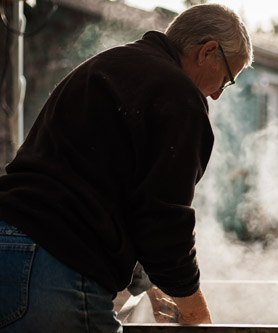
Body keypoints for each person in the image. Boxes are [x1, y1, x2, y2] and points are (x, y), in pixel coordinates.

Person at [0, 3, 253, 332]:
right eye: (226, 79)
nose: (217, 94)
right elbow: (164, 220)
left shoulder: (105, 66)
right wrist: (195, 311)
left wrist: (152, 283)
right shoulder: (179, 94)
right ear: (207, 51)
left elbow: (112, 195)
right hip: (56, 268)